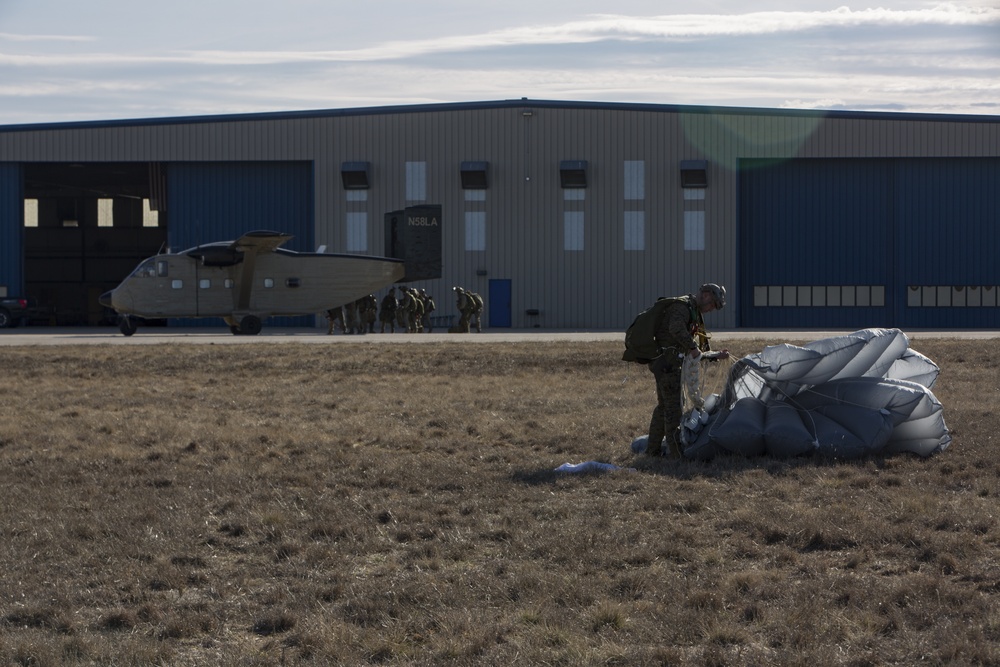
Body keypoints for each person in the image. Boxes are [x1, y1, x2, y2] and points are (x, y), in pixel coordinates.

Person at [643, 283, 728, 457]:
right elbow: (676, 329)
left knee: (664, 407)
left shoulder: (693, 312)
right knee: (673, 410)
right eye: (712, 304)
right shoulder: (681, 308)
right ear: (705, 295)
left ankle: (652, 451)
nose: (711, 309)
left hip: (669, 364)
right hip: (667, 365)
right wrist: (692, 347)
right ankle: (676, 455)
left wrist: (715, 355)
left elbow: (697, 351)